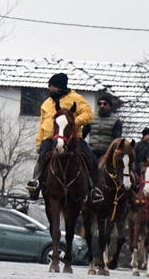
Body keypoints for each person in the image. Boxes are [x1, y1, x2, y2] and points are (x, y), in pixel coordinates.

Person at [26, 73, 103, 203]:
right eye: (49, 86)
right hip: (49, 138)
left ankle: (93, 189)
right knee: (41, 159)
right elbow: (42, 123)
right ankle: (35, 183)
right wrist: (39, 141)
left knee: (90, 158)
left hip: (72, 138)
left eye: (52, 86)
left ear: (59, 87)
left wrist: (72, 122)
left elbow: (88, 115)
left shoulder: (75, 99)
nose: (50, 89)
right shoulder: (46, 104)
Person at [85, 94, 124, 160]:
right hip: (92, 151)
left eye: (105, 104)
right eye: (100, 104)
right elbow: (83, 133)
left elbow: (117, 138)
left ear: (110, 106)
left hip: (107, 152)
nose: (102, 106)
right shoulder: (91, 118)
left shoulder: (116, 120)